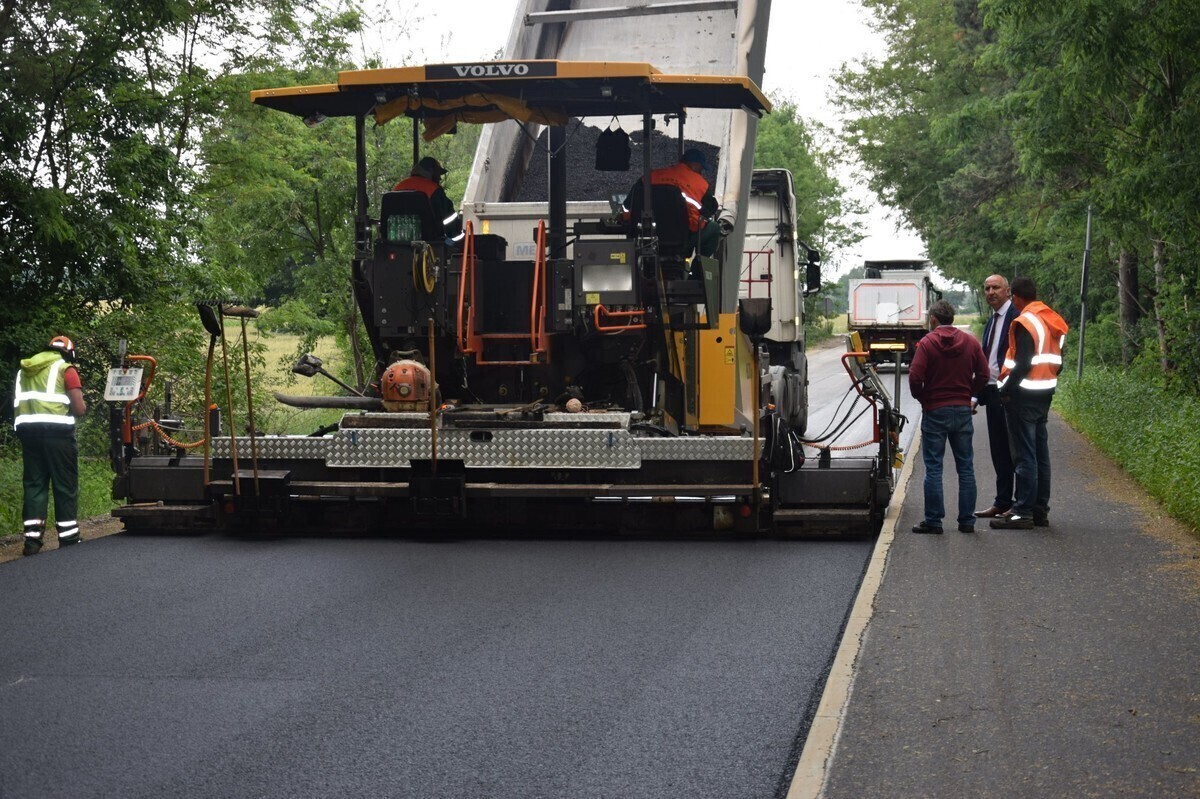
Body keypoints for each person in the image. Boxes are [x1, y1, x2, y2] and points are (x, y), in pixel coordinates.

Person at [990, 277, 1069, 530]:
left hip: (1022, 397)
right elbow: (1059, 362)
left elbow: (1023, 363)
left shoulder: (1025, 321)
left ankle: (1022, 511)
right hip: (1044, 393)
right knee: (1040, 455)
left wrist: (1006, 390)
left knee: (1025, 456)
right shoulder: (1052, 318)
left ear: (1014, 296)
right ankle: (1039, 511)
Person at [909, 300, 990, 534]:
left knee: (933, 467)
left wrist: (924, 398)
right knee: (965, 467)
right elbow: (984, 374)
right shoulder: (970, 342)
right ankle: (966, 521)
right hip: (962, 410)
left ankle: (933, 521)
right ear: (952, 318)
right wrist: (969, 393)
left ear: (933, 319)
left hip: (935, 410)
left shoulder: (927, 343)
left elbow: (915, 377)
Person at [14, 336, 87, 555]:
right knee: (64, 484)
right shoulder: (66, 369)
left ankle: (32, 542)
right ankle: (69, 537)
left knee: (34, 484)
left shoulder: (24, 370)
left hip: (29, 434)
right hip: (58, 435)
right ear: (69, 352)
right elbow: (79, 408)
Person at [973, 274, 1019, 519]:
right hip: (991, 393)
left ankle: (1020, 504)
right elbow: (987, 362)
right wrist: (975, 395)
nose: (991, 292)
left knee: (1015, 451)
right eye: (987, 288)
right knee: (999, 451)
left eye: (996, 288)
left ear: (1008, 290)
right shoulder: (992, 320)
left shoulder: (1016, 317)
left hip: (1009, 394)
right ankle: (1002, 501)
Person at [622, 147, 723, 257]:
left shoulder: (649, 177)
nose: (701, 172)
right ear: (694, 165)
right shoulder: (700, 183)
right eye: (700, 169)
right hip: (680, 238)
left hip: (645, 236)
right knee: (714, 228)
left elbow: (627, 205)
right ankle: (698, 272)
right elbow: (710, 209)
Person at [392, 156, 463, 244]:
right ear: (432, 172)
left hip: (396, 241)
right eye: (438, 174)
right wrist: (455, 237)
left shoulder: (398, 187)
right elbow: (449, 220)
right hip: (430, 243)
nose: (440, 178)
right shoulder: (434, 190)